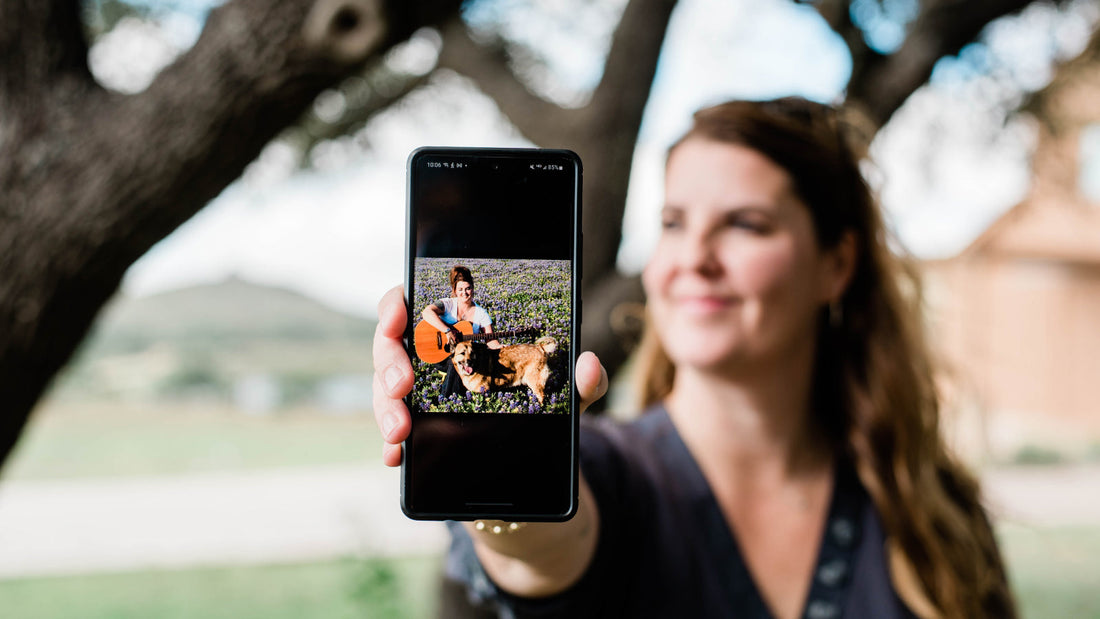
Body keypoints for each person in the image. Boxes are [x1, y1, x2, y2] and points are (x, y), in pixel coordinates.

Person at [373, 98, 1016, 619]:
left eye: (745, 224)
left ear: (836, 264)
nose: (693, 259)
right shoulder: (605, 468)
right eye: (674, 223)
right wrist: (495, 489)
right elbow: (543, 552)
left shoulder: (931, 510)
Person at [420, 265, 500, 397]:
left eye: (468, 288)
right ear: (455, 291)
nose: (465, 293)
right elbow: (427, 312)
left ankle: (447, 400)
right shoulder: (447, 304)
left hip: (466, 359)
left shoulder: (481, 313)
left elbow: (490, 339)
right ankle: (452, 400)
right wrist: (447, 330)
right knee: (456, 360)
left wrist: (500, 347)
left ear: (473, 289)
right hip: (440, 356)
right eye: (460, 289)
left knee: (459, 359)